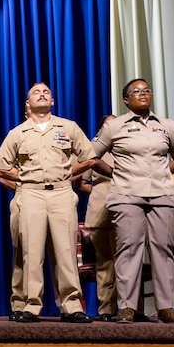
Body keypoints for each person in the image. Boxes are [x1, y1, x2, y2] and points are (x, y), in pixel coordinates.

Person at [87, 78, 174, 324]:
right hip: (126, 194)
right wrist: (114, 172)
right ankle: (127, 308)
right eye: (136, 91)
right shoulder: (115, 126)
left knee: (163, 249)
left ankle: (166, 307)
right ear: (126, 99)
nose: (143, 94)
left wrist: (166, 170)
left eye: (147, 90)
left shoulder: (167, 126)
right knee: (129, 248)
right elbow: (92, 155)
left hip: (162, 193)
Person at [0, 83, 94, 322]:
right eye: (36, 92)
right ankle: (31, 305)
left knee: (66, 251)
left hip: (60, 192)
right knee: (32, 251)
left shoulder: (68, 127)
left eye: (47, 92)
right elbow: (1, 167)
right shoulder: (18, 133)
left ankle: (72, 306)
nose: (42, 94)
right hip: (31, 194)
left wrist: (68, 171)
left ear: (53, 102)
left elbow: (89, 158)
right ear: (27, 104)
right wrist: (26, 177)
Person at [77, 116, 119, 318]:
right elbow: (82, 183)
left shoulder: (128, 148)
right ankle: (106, 309)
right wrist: (97, 192)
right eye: (107, 124)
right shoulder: (93, 151)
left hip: (127, 203)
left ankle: (132, 308)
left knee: (129, 260)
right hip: (100, 207)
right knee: (105, 261)